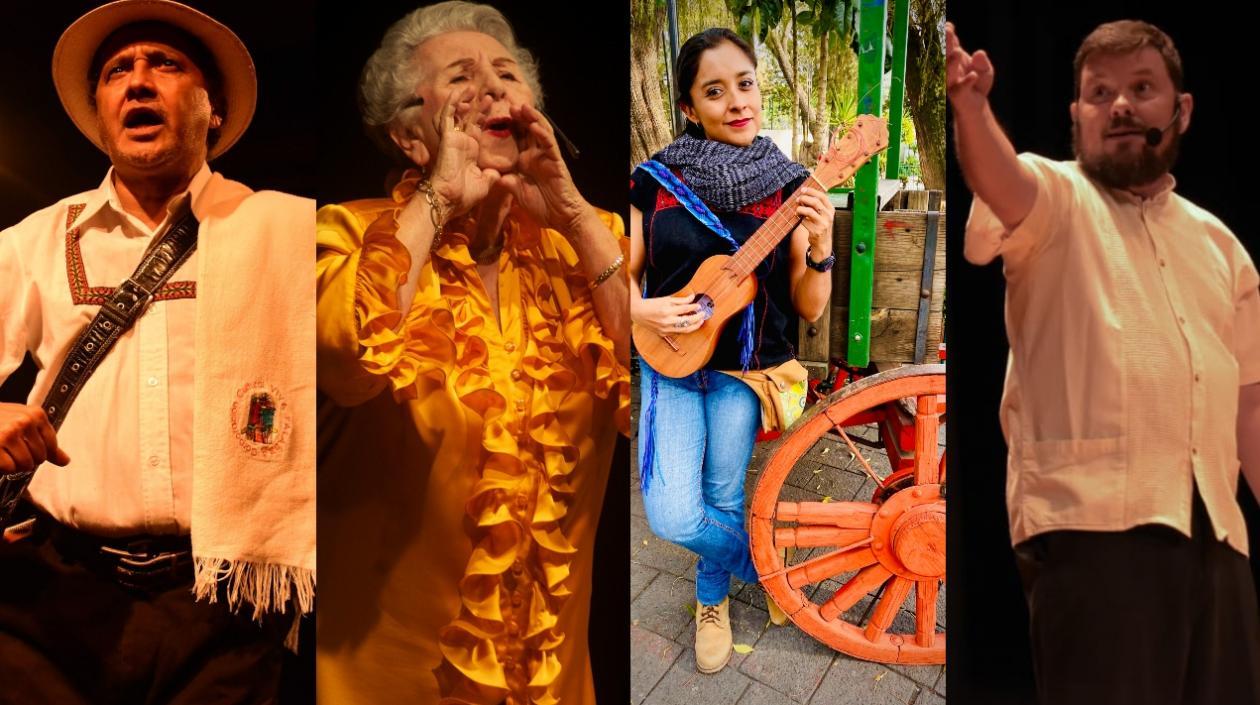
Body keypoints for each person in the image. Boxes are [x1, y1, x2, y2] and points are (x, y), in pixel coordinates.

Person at [0, 1, 315, 703]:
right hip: (56, 598)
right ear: (101, 113)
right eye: (118, 71)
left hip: (225, 603)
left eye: (164, 65)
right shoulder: (37, 240)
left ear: (215, 110)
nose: (138, 81)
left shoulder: (290, 230)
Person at [314, 2, 629, 703]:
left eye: (507, 74)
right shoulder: (344, 235)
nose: (492, 88)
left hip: (554, 682)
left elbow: (664, 366)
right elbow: (349, 355)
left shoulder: (592, 241)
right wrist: (438, 197)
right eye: (461, 75)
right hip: (388, 680)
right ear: (408, 135)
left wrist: (575, 216)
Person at [948, 19, 1260, 705]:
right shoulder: (1054, 193)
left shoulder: (1224, 247)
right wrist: (971, 109)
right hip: (1094, 533)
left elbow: (1249, 405)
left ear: (1180, 111)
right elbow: (1001, 176)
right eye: (1099, 92)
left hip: (1219, 537)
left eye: (1141, 88)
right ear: (1076, 116)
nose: (1120, 105)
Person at [629, 27, 835, 674]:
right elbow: (613, 273)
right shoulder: (654, 180)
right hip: (668, 357)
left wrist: (822, 245)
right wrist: (637, 307)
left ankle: (711, 595)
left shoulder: (790, 185)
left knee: (720, 491)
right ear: (690, 107)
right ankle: (766, 569)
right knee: (671, 510)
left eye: (745, 84)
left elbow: (809, 305)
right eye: (714, 91)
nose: (737, 102)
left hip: (747, 368)